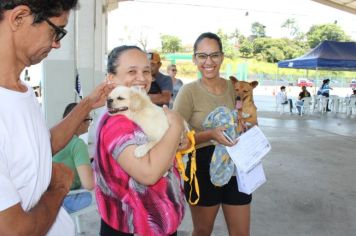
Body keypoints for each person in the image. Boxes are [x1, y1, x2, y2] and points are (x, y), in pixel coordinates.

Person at [0, 1, 114, 235]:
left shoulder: (21, 89)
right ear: (19, 17)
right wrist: (58, 188)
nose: (57, 43)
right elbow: (14, 230)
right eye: (56, 31)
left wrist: (87, 104)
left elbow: (40, 146)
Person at [95, 45, 185, 236]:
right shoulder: (117, 122)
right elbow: (148, 173)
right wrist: (176, 127)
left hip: (154, 224)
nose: (142, 78)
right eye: (131, 71)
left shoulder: (135, 110)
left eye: (146, 71)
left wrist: (176, 140)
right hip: (135, 226)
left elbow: (164, 147)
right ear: (111, 78)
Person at [173, 32, 252, 236]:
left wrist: (246, 127)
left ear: (222, 57)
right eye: (202, 56)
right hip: (201, 167)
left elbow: (246, 116)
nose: (209, 62)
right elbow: (175, 139)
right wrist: (209, 135)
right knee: (202, 231)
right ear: (194, 59)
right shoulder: (188, 92)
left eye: (214, 55)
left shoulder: (234, 88)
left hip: (235, 165)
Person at [53, 103, 95, 213]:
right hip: (65, 199)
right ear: (79, 121)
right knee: (105, 197)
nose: (89, 124)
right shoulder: (78, 144)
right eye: (88, 119)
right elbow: (89, 184)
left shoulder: (54, 136)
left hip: (46, 195)